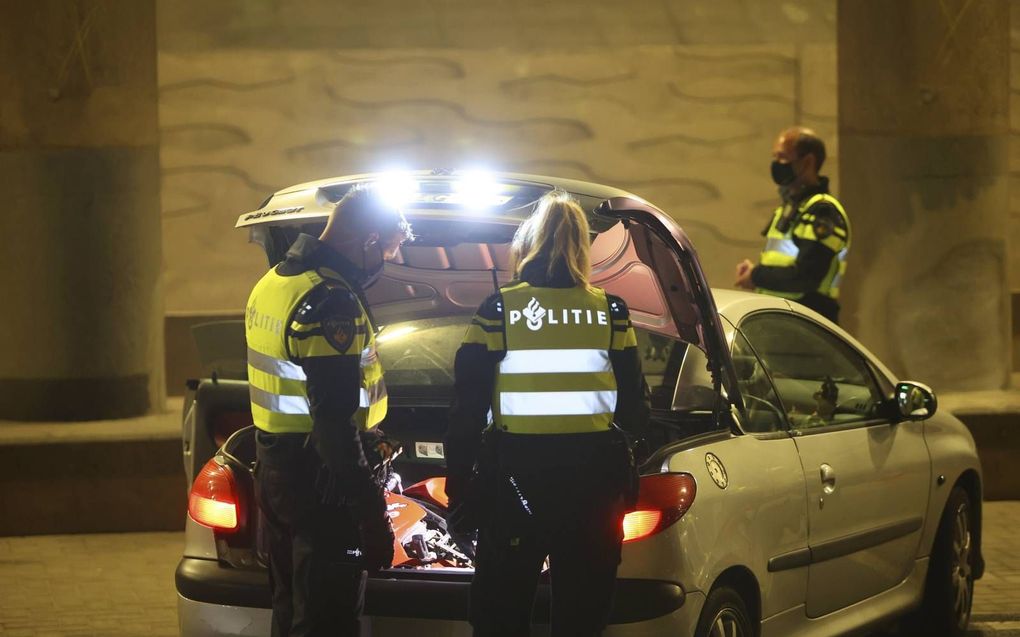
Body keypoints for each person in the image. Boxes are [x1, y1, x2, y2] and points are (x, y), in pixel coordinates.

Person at [445, 191, 650, 636]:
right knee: (582, 615)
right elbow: (635, 408)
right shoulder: (611, 313)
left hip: (515, 485)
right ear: (583, 247)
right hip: (591, 488)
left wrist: (459, 484)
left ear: (530, 241)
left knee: (501, 613)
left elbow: (466, 407)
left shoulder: (499, 309)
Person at [245, 184, 412, 636]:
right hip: (322, 484)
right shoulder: (329, 300)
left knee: (292, 607)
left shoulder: (277, 281)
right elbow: (334, 425)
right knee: (327, 619)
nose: (387, 262)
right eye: (390, 249)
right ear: (369, 240)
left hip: (279, 469)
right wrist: (370, 516)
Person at [734, 126, 850, 324]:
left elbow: (806, 277)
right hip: (785, 322)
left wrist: (756, 275)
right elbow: (781, 262)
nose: (776, 165)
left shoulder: (823, 212)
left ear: (808, 162)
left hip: (810, 325)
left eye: (782, 158)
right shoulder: (792, 208)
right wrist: (756, 274)